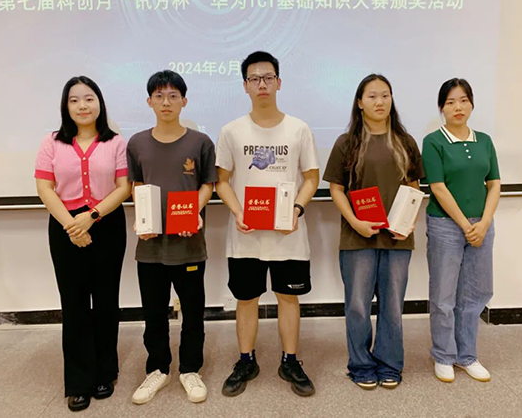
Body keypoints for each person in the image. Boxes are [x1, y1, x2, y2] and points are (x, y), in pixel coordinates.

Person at [216, 51, 320, 397]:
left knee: (288, 297)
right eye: (254, 78)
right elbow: (222, 181)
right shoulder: (231, 131)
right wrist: (238, 211)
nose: (262, 84)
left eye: (268, 77)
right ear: (245, 86)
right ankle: (246, 360)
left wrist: (297, 210)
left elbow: (311, 177)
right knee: (246, 298)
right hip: (245, 235)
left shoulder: (298, 128)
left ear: (279, 82)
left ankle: (290, 360)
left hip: (288, 234)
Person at [35, 76, 130, 412]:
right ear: (66, 106)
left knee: (105, 302)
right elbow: (45, 188)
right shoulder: (51, 142)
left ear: (99, 102)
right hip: (65, 227)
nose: (82, 106)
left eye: (89, 98)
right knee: (74, 304)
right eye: (74, 100)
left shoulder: (115, 142)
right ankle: (77, 382)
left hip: (106, 224)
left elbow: (123, 187)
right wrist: (72, 225)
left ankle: (105, 373)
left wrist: (91, 217)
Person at [323, 74, 424, 390]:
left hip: (397, 238)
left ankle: (390, 364)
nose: (380, 102)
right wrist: (355, 222)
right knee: (357, 305)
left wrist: (409, 222)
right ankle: (361, 365)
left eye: (385, 95)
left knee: (392, 305)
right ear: (359, 102)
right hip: (357, 237)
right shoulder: (346, 143)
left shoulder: (405, 142)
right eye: (372, 96)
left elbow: (414, 187)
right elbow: (336, 189)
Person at [127, 70, 218, 404]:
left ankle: (190, 369)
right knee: (153, 313)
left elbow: (208, 184)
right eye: (159, 96)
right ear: (149, 101)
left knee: (193, 312)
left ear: (184, 101)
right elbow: (136, 184)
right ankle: (158, 369)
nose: (166, 102)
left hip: (189, 243)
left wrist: (194, 211)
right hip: (150, 246)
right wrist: (142, 216)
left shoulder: (200, 142)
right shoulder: (137, 143)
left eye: (173, 96)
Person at [422, 78, 500, 383]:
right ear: (441, 107)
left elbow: (494, 184)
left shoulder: (485, 141)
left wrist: (484, 222)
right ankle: (444, 355)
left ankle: (467, 355)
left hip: (481, 225)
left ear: (472, 104)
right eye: (451, 101)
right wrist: (467, 226)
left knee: (476, 292)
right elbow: (438, 187)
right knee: (444, 295)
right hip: (445, 225)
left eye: (464, 100)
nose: (458, 107)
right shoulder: (433, 141)